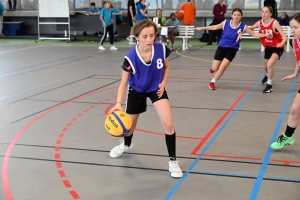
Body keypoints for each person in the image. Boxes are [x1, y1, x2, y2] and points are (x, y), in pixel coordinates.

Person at [107, 19, 183, 178]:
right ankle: (126, 145)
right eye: (145, 36)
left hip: (156, 89)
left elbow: (167, 67)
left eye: (152, 35)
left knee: (169, 125)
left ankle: (173, 161)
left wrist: (163, 81)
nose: (150, 40)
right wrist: (118, 104)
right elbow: (123, 83)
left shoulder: (161, 48)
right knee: (128, 128)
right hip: (136, 91)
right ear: (137, 37)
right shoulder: (130, 58)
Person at [194, 8, 271, 90]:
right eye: (235, 15)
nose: (236, 17)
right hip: (221, 47)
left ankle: (212, 82)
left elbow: (254, 33)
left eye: (238, 15)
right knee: (215, 68)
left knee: (222, 67)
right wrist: (202, 28)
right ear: (232, 16)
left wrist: (265, 35)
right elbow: (215, 27)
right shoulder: (226, 23)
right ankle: (213, 69)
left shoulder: (243, 26)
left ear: (241, 16)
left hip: (232, 49)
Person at [270, 12, 300, 149]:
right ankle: (287, 137)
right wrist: (295, 73)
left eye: (295, 27)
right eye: (291, 27)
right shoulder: (295, 41)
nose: (292, 30)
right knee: (294, 110)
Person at [249, 6, 287, 93]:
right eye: (263, 12)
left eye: (266, 12)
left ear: (270, 14)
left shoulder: (274, 23)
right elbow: (250, 29)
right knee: (266, 67)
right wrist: (241, 31)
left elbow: (285, 36)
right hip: (268, 47)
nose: (264, 13)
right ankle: (267, 75)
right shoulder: (260, 22)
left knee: (270, 64)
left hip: (278, 47)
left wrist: (281, 43)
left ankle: (269, 85)